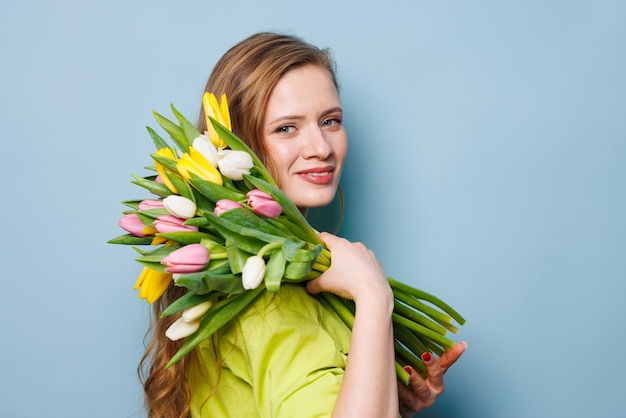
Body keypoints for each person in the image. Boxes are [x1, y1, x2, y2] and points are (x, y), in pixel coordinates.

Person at [139, 32, 466, 418]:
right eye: (286, 128)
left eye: (330, 121)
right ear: (234, 144)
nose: (321, 147)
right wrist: (374, 294)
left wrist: (386, 395)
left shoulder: (284, 277)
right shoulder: (270, 298)